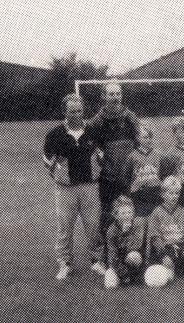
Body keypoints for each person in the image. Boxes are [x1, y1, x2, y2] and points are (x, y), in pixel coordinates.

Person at [43, 93, 104, 280]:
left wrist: (96, 165)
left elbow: (102, 156)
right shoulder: (54, 134)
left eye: (79, 111)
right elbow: (46, 159)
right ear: (65, 112)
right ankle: (64, 263)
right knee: (65, 227)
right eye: (72, 111)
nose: (76, 115)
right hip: (65, 189)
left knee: (94, 225)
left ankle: (97, 261)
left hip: (90, 187)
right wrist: (58, 171)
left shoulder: (93, 131)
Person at [90, 83, 140, 241]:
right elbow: (92, 147)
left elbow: (140, 143)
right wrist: (99, 157)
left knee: (130, 212)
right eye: (111, 94)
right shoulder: (96, 122)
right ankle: (107, 250)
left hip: (129, 176)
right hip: (108, 178)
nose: (115, 97)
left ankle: (130, 249)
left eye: (118, 94)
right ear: (104, 97)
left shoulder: (130, 117)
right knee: (108, 213)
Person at [147, 176, 184, 274]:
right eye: (171, 193)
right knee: (168, 273)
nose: (174, 196)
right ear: (163, 195)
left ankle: (183, 264)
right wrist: (163, 255)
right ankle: (170, 265)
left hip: (181, 246)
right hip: (165, 248)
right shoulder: (157, 212)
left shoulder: (183, 211)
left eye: (177, 193)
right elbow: (154, 237)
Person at [104, 196, 148, 287]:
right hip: (118, 261)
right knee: (110, 284)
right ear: (116, 215)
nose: (127, 215)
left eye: (129, 212)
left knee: (133, 256)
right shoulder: (111, 231)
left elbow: (136, 246)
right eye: (123, 213)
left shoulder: (137, 224)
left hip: (134, 257)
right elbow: (112, 254)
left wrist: (125, 234)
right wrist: (122, 272)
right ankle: (126, 276)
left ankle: (136, 275)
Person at [121, 122, 162, 218]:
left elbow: (163, 175)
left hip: (155, 194)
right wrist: (130, 191)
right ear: (138, 138)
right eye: (145, 137)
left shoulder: (158, 155)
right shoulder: (132, 156)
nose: (148, 140)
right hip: (139, 195)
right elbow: (126, 177)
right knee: (141, 221)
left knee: (155, 220)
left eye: (149, 137)